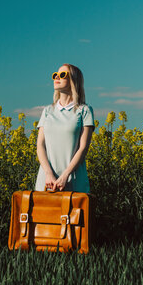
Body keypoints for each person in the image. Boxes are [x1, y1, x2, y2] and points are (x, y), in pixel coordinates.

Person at [35, 64, 95, 193]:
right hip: (46, 180)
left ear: (73, 80)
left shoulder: (84, 111)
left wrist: (65, 175)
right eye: (55, 75)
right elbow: (40, 145)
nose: (57, 77)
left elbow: (83, 148)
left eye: (62, 75)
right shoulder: (47, 111)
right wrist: (48, 173)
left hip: (72, 179)